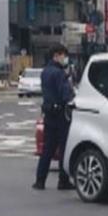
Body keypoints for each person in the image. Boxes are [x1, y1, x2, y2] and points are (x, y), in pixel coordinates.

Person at [33, 44, 76, 190]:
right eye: (63, 55)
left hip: (48, 113)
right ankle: (63, 181)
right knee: (64, 147)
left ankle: (40, 180)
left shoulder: (45, 72)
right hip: (60, 115)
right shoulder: (59, 73)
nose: (65, 58)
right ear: (56, 56)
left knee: (48, 148)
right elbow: (66, 95)